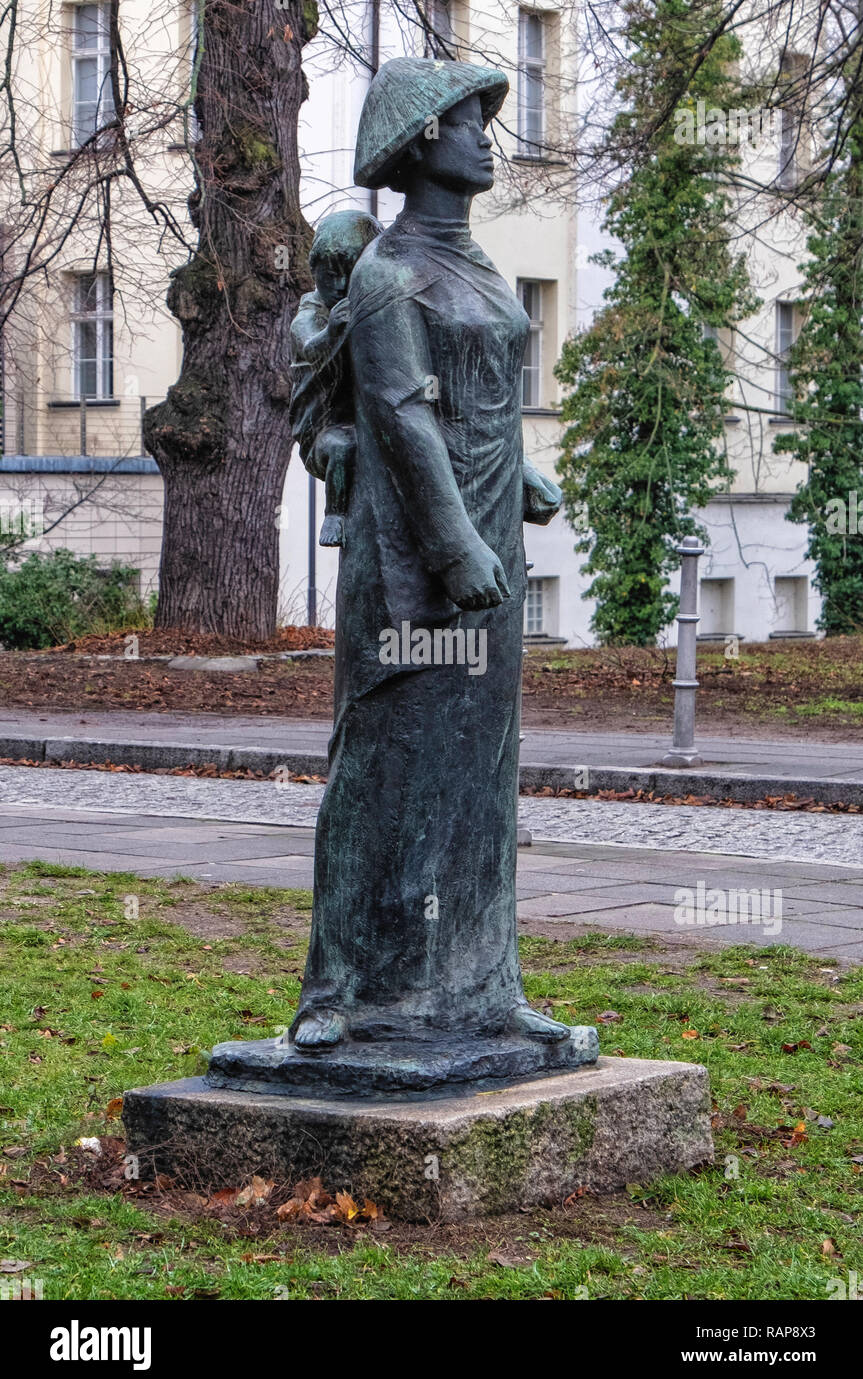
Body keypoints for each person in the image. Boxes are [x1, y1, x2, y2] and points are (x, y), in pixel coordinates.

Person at [288, 59, 591, 1084]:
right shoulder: (384, 276)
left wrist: (523, 479)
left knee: (479, 771)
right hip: (408, 560)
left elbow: (472, 397)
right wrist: (455, 541)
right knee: (380, 765)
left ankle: (481, 983)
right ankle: (338, 990)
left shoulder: (481, 268)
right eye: (470, 122)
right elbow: (402, 416)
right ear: (421, 138)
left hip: (487, 552)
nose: (488, 137)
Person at [289, 209, 382, 546]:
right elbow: (309, 346)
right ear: (315, 272)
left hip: (367, 421)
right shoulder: (311, 311)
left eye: (351, 275)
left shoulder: (373, 304)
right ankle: (335, 514)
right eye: (330, 276)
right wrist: (333, 331)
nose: (341, 286)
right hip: (323, 431)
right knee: (344, 447)